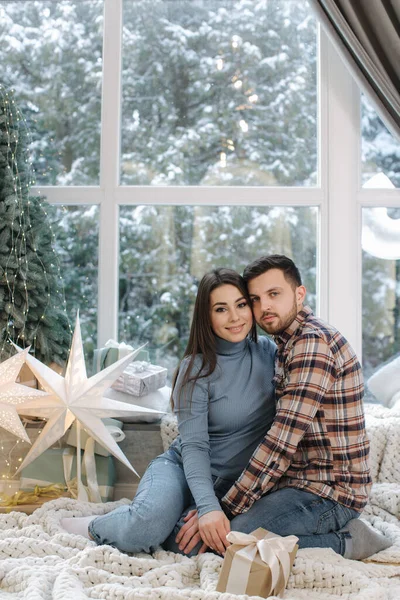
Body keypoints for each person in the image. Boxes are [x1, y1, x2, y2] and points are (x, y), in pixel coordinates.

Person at [178, 255, 390, 560]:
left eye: (274, 294)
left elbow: (280, 443)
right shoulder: (284, 344)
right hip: (295, 481)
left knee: (236, 540)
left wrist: (221, 509)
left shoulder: (312, 345)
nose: (264, 307)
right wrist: (210, 506)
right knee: (220, 532)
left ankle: (349, 542)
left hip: (331, 491)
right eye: (256, 298)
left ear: (299, 295)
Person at [61, 268, 277, 555]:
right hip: (182, 469)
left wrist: (216, 508)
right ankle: (93, 526)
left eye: (240, 305)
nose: (235, 317)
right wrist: (208, 507)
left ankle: (171, 518)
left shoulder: (269, 353)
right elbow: (195, 447)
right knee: (145, 528)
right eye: (221, 309)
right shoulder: (196, 368)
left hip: (233, 486)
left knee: (193, 545)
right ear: (207, 316)